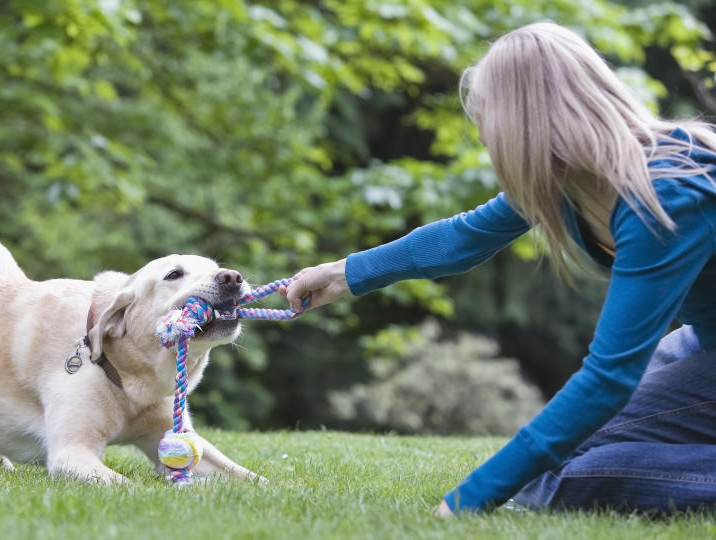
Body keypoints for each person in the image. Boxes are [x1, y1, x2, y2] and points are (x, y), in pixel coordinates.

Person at [281, 21, 716, 515]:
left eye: (486, 116)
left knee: (562, 480)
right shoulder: (571, 182)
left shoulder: (664, 196)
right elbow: (463, 236)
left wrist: (468, 500)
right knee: (560, 456)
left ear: (523, 122)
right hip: (704, 343)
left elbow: (608, 377)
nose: (484, 135)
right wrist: (343, 273)